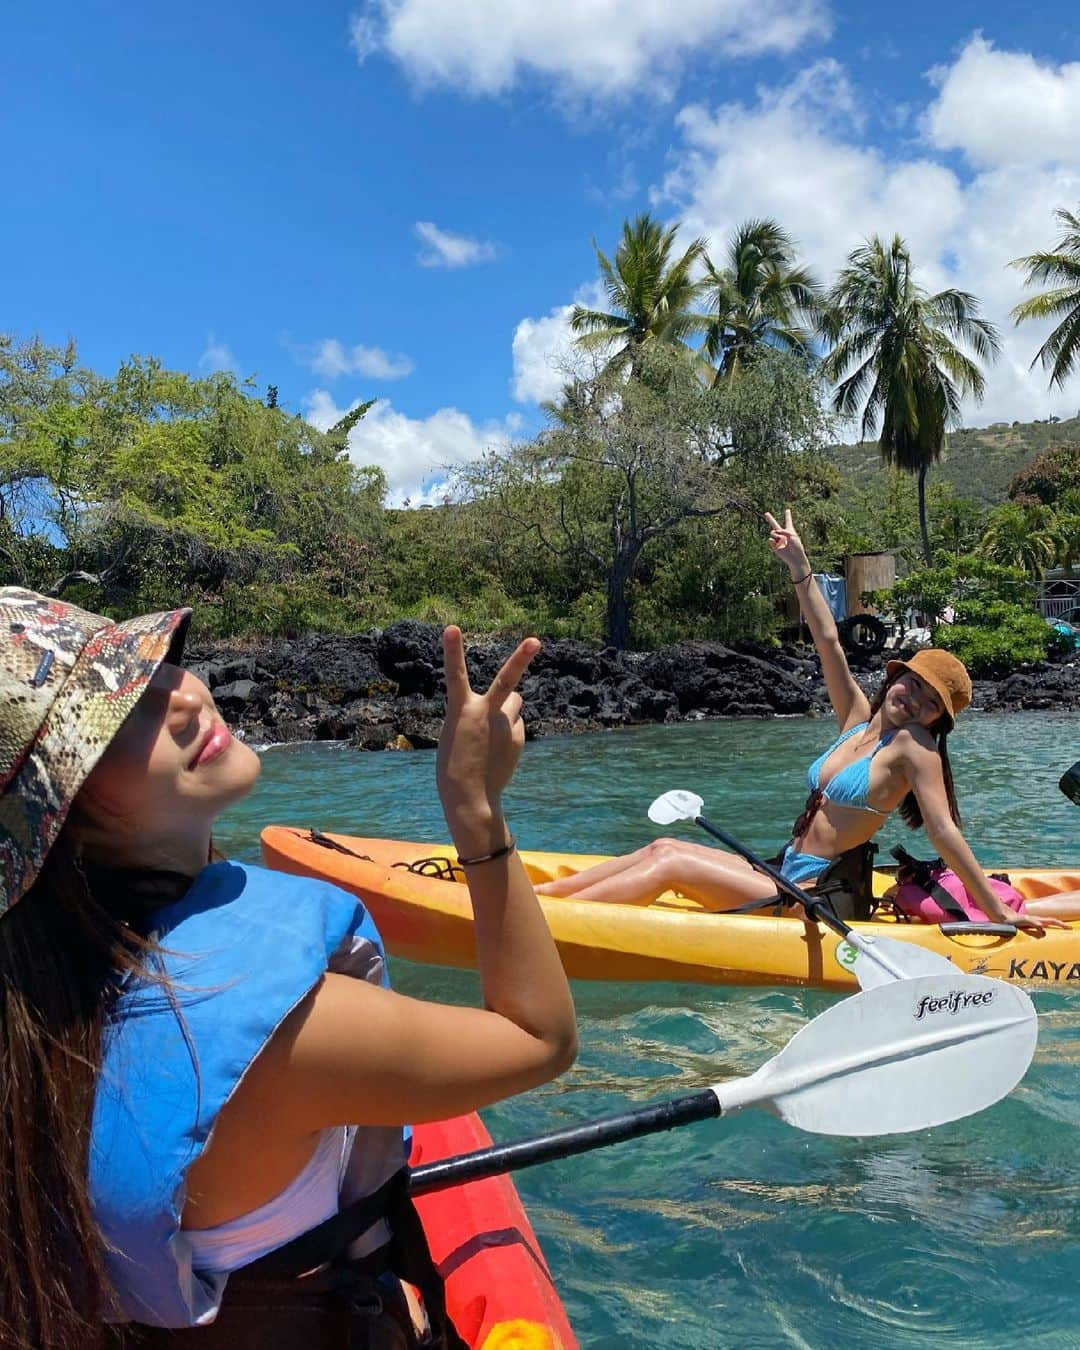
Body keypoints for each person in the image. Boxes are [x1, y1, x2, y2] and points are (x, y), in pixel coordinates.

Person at [0, 587, 577, 1349]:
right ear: (57, 819)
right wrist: (475, 806)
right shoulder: (289, 1029)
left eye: (153, 669)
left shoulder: (36, 1002)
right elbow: (539, 1038)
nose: (182, 696)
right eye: (115, 717)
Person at [537, 510, 1078, 932]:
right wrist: (799, 567)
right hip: (783, 868)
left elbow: (944, 832)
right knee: (663, 848)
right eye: (910, 682)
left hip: (818, 897)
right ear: (894, 678)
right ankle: (533, 899)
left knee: (671, 867)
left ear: (936, 720)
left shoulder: (914, 749)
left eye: (929, 701)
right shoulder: (857, 721)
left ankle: (533, 922)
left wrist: (998, 912)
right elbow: (827, 641)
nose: (912, 698)